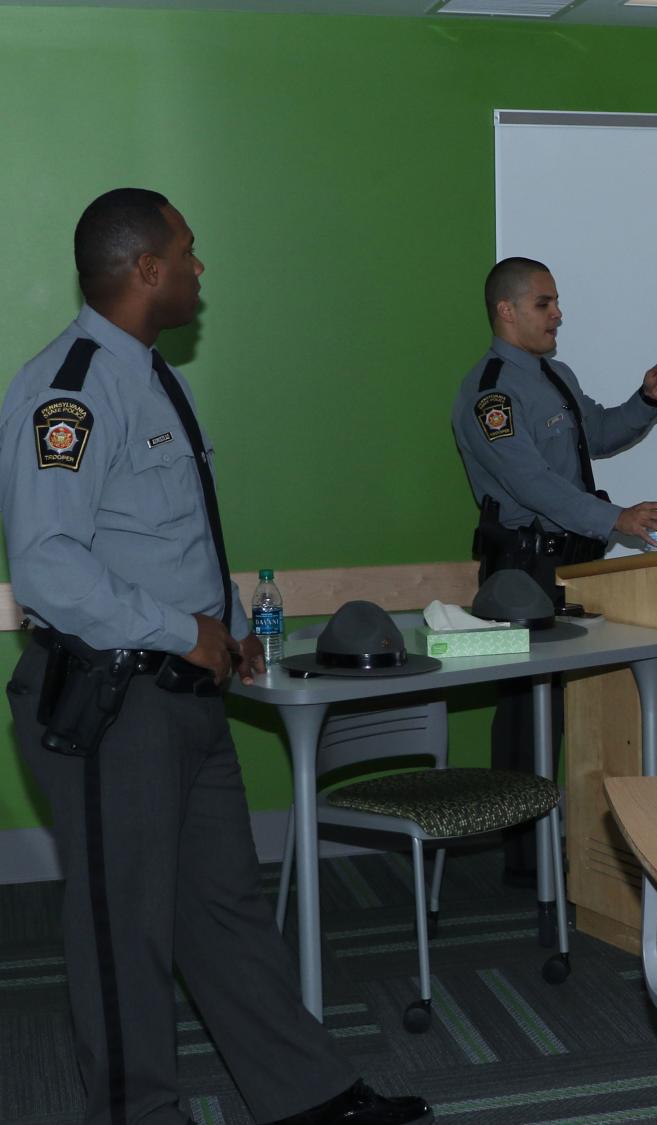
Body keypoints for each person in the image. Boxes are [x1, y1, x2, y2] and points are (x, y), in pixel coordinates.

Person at [0, 188, 433, 1125]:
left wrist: (224, 622)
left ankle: (305, 1095)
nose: (202, 268)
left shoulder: (154, 375)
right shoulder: (69, 388)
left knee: (225, 907)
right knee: (125, 936)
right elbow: (45, 565)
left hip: (183, 692)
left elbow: (169, 533)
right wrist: (177, 628)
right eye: (189, 253)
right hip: (111, 702)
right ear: (145, 269)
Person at [450, 256, 657, 879]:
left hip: (571, 568)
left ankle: (565, 853)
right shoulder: (490, 391)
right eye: (545, 303)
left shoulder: (554, 375)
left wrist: (645, 401)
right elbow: (530, 482)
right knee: (528, 718)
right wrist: (615, 519)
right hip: (522, 572)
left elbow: (594, 434)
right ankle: (526, 866)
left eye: (556, 303)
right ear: (508, 310)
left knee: (566, 713)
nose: (559, 315)